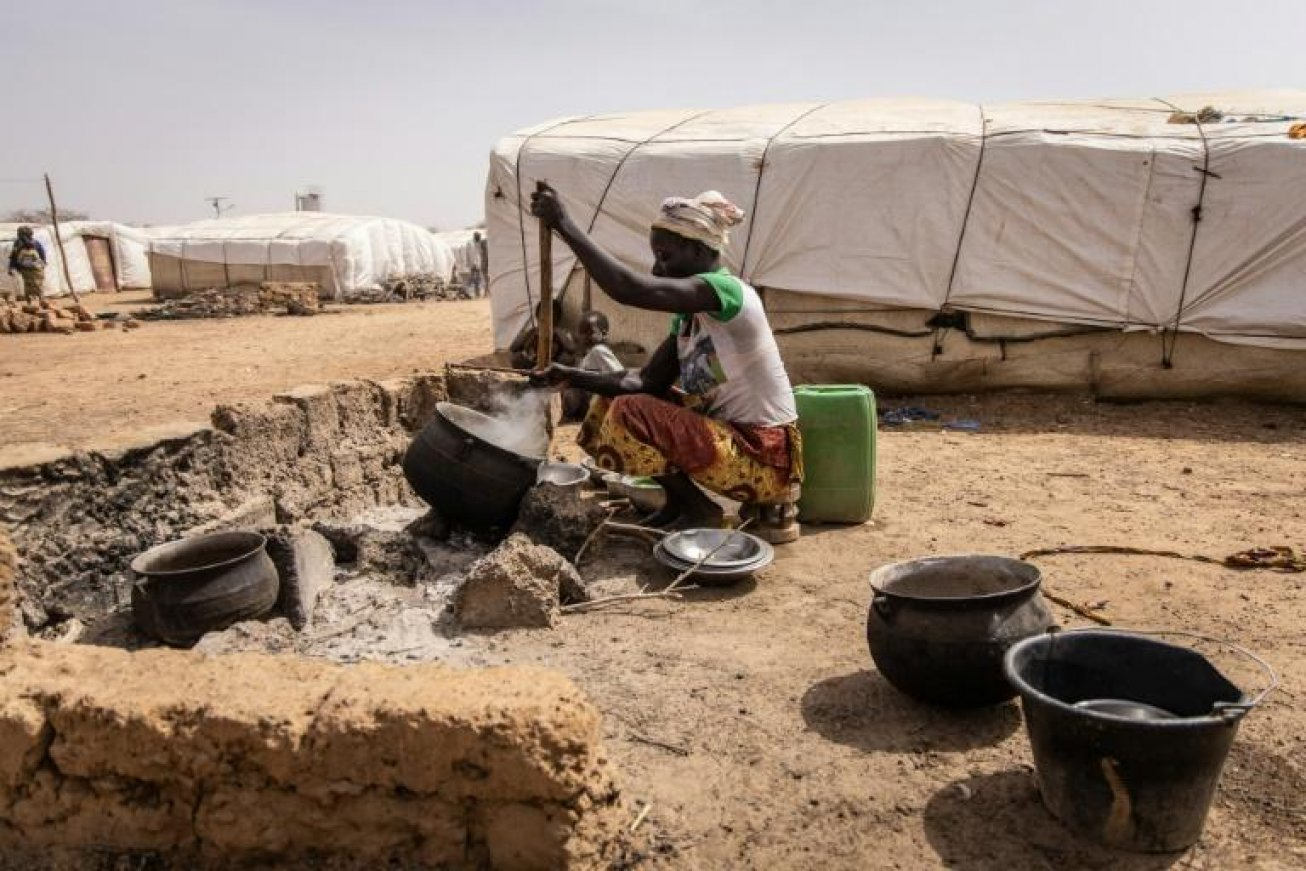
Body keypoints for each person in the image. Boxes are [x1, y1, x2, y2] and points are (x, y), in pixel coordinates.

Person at [529, 184, 802, 542]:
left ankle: (700, 510)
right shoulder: (689, 320)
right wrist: (569, 376)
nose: (657, 270)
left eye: (665, 257)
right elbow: (643, 382)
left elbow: (629, 290)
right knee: (614, 399)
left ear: (697, 249)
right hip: (731, 446)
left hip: (764, 457)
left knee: (632, 411)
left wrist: (563, 222)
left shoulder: (727, 291)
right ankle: (678, 504)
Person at [562, 310, 623, 422]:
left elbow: (619, 375)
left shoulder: (598, 351)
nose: (584, 337)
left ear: (603, 334)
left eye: (589, 332)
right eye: (581, 332)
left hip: (601, 404)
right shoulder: (588, 353)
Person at [509, 297, 578, 369]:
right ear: (537, 316)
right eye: (542, 317)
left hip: (554, 365)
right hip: (533, 363)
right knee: (516, 358)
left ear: (557, 319)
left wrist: (558, 333)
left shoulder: (562, 333)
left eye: (552, 317)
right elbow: (513, 347)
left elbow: (571, 349)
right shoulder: (533, 332)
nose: (545, 321)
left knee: (567, 359)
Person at [7, 226, 47, 302]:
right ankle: (32, 304)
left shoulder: (34, 243)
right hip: (27, 269)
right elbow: (13, 256)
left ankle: (40, 302)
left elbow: (42, 255)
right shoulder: (18, 243)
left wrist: (11, 267)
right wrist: (11, 267)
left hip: (34, 269)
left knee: (36, 285)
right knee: (30, 286)